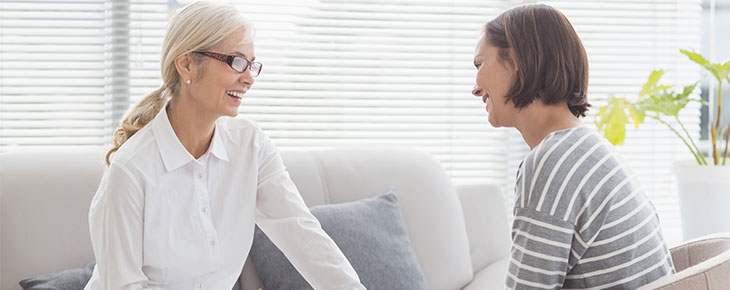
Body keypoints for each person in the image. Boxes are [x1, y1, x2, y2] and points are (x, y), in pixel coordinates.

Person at [84, 2, 366, 289]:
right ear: (186, 64)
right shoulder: (130, 171)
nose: (248, 78)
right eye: (236, 61)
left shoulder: (250, 146)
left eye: (252, 64)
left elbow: (302, 233)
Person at [470, 4, 674, 289]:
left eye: (480, 64)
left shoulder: (551, 162)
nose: (476, 87)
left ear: (517, 60)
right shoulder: (588, 148)